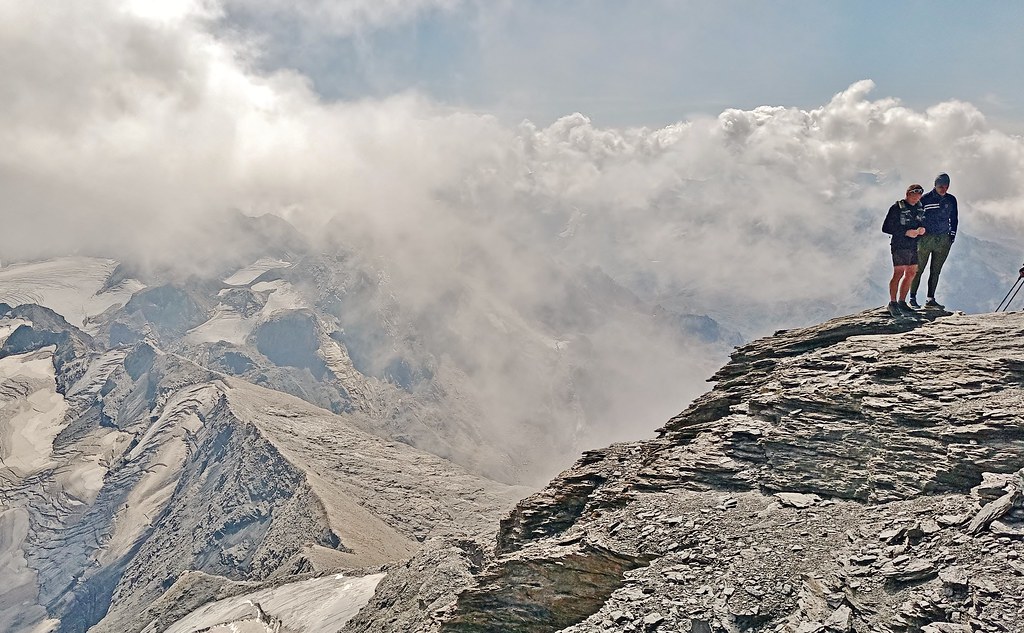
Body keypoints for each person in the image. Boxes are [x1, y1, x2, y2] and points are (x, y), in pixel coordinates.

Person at [909, 173, 958, 309]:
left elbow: (954, 219)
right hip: (925, 239)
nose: (944, 189)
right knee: (918, 269)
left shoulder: (951, 200)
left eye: (946, 186)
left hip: (943, 239)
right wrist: (917, 234)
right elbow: (915, 218)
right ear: (935, 185)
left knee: (936, 270)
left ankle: (930, 299)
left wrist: (951, 236)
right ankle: (912, 299)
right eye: (941, 186)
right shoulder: (925, 199)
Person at [882, 184, 926, 315]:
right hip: (899, 245)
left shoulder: (919, 208)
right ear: (908, 194)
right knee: (899, 273)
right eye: (914, 197)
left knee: (912, 272)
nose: (916, 200)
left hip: (913, 244)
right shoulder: (896, 208)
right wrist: (905, 232)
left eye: (918, 197)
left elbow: (922, 222)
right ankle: (893, 303)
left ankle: (902, 301)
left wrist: (922, 229)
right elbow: (886, 228)